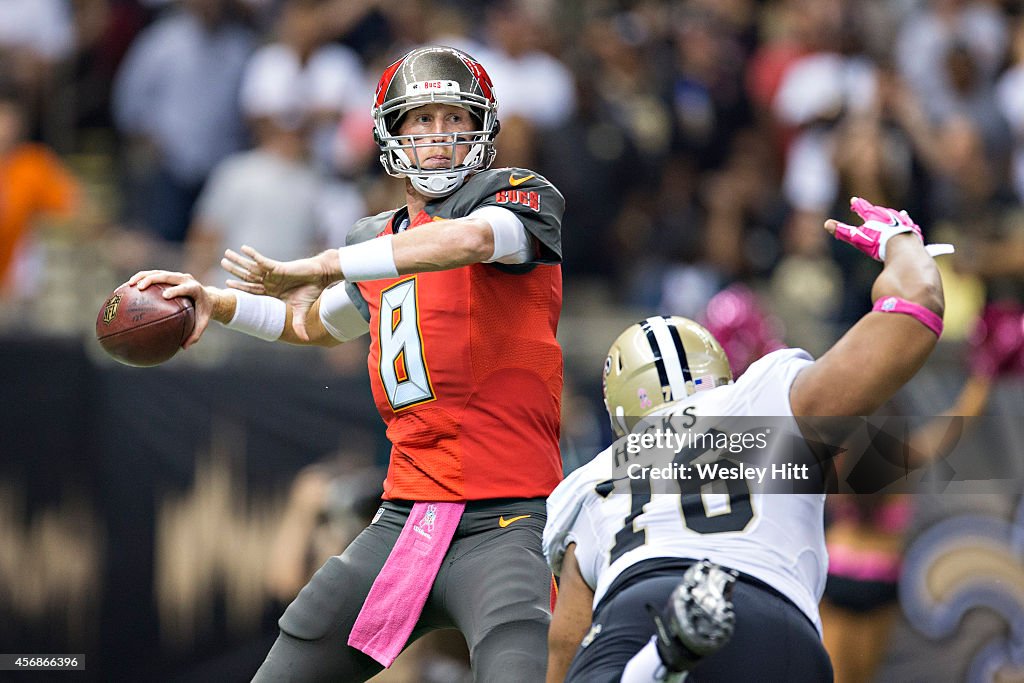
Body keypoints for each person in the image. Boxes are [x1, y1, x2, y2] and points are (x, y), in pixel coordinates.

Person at [129, 45, 564, 681]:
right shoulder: (376, 242)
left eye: (454, 119)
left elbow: (465, 241)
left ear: (482, 129)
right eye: (421, 120)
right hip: (403, 520)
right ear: (392, 132)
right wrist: (217, 304)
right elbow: (312, 322)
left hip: (507, 522)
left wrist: (324, 262)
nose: (439, 137)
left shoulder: (519, 196)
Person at [544, 197, 946, 682]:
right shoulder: (765, 394)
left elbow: (565, 643)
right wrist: (901, 242)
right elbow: (916, 309)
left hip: (638, 608)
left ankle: (659, 663)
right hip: (777, 624)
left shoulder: (591, 480)